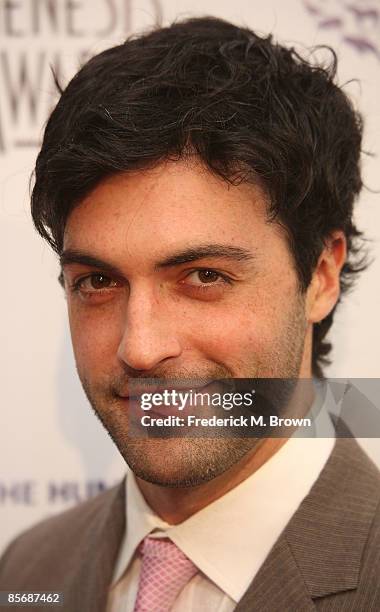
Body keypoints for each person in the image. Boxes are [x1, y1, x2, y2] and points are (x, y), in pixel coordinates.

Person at [1, 15, 379, 612]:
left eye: (204, 276)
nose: (140, 347)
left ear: (321, 277)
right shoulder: (29, 569)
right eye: (98, 281)